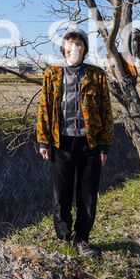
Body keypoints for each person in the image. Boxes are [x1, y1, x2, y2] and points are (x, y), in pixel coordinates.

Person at [36, 30, 114, 256]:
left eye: (79, 44)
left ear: (85, 49)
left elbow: (106, 111)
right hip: (61, 143)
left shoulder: (96, 75)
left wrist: (104, 145)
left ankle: (82, 239)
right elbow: (44, 108)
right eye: (70, 44)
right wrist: (43, 141)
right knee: (61, 195)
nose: (75, 48)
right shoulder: (52, 74)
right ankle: (63, 237)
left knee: (87, 196)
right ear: (64, 49)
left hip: (90, 145)